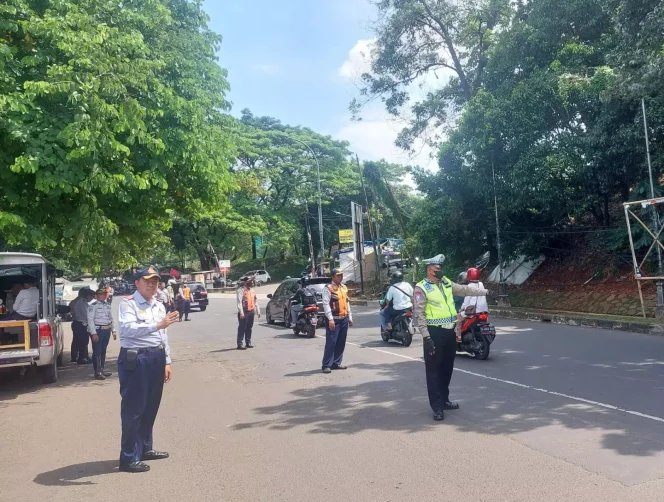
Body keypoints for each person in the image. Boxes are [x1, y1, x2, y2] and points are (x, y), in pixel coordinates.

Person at [117, 265, 179, 473]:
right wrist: (157, 325)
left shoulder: (158, 305)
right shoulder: (128, 304)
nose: (152, 284)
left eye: (155, 281)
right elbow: (127, 329)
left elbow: (163, 336)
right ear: (137, 283)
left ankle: (144, 448)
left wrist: (167, 361)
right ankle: (128, 457)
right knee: (134, 409)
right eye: (147, 281)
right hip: (136, 358)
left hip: (156, 356)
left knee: (151, 406)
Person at [413, 254, 489, 422]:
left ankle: (445, 399)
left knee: (447, 369)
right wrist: (426, 337)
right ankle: (437, 407)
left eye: (441, 269)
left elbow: (464, 289)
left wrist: (485, 292)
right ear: (429, 270)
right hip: (434, 333)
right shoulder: (421, 288)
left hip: (449, 333)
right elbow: (419, 315)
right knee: (433, 371)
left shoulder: (446, 282)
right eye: (437, 269)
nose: (440, 271)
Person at [321, 268, 353, 374]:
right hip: (334, 319)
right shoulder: (328, 288)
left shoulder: (343, 287)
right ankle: (326, 365)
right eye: (338, 275)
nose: (340, 277)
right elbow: (325, 304)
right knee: (331, 342)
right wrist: (330, 319)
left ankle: (336, 363)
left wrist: (350, 316)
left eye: (341, 275)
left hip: (343, 318)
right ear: (333, 276)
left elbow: (347, 302)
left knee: (341, 341)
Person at [87, 286, 116, 380]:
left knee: (103, 350)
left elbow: (110, 318)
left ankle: (102, 369)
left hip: (106, 329)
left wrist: (113, 330)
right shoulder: (93, 306)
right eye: (101, 294)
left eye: (104, 294)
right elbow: (90, 320)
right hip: (97, 330)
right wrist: (93, 333)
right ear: (96, 296)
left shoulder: (107, 305)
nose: (103, 296)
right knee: (97, 352)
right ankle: (97, 372)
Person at [70, 287, 94, 364]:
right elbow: (86, 314)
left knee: (82, 341)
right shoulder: (81, 303)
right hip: (80, 323)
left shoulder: (83, 302)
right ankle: (81, 358)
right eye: (92, 296)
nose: (92, 298)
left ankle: (83, 357)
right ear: (88, 296)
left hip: (81, 323)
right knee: (82, 342)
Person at [236, 278, 260, 350]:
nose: (251, 283)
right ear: (245, 282)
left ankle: (248, 343)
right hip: (244, 312)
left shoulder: (252, 291)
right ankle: (239, 344)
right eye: (249, 281)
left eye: (251, 282)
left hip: (251, 312)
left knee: (249, 328)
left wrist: (258, 311)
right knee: (242, 328)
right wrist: (241, 313)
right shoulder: (241, 290)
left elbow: (255, 301)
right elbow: (239, 302)